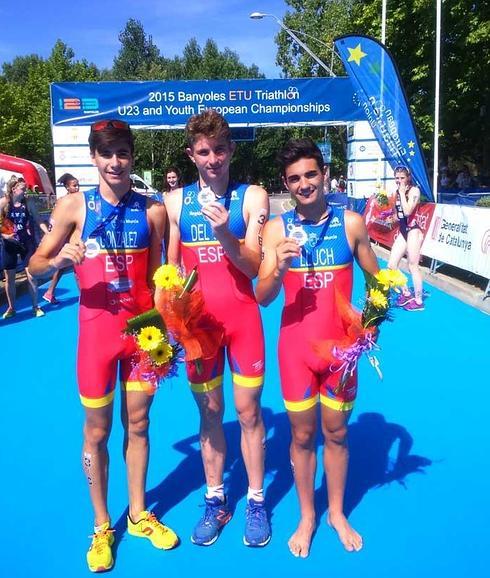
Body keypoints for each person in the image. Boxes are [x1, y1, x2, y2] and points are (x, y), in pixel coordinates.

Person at [28, 119, 179, 572]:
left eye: (123, 154)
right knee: (96, 431)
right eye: (107, 154)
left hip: (142, 336)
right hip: (96, 336)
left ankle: (137, 514)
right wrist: (58, 258)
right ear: (94, 158)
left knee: (139, 424)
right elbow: (35, 266)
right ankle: (100, 524)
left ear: (132, 158)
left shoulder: (152, 211)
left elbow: (158, 278)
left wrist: (167, 328)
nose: (116, 162)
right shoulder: (75, 206)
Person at [255, 138, 379, 558]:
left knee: (338, 432)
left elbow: (379, 284)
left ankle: (337, 513)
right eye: (294, 179)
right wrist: (279, 267)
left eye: (311, 174)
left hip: (341, 352)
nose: (304, 184)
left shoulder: (350, 223)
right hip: (296, 351)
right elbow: (264, 295)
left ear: (324, 174)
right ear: (285, 184)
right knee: (303, 435)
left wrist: (372, 325)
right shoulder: (275, 230)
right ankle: (307, 515)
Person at [165, 109, 271, 547]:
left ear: (231, 150)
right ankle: (214, 498)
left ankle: (258, 500)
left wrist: (226, 233)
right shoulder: (175, 203)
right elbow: (170, 268)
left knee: (248, 413)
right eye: (204, 151)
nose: (213, 159)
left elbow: (255, 267)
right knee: (209, 413)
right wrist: (172, 319)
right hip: (199, 329)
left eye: (220, 150)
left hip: (243, 321)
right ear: (192, 155)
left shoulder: (252, 197)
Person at [1, 176, 47, 319]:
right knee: (10, 278)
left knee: (31, 275)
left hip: (27, 243)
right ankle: (12, 308)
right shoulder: (3, 203)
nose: (25, 190)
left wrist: (48, 233)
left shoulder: (28, 203)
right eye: (23, 188)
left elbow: (39, 220)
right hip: (9, 244)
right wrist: (4, 236)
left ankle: (35, 306)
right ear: (14, 189)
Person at [388, 165, 425, 311]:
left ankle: (419, 301)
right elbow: (401, 214)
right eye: (397, 178)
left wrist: (403, 193)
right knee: (392, 264)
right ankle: (406, 292)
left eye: (402, 178)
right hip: (403, 230)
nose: (399, 181)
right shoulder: (398, 191)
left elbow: (409, 210)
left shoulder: (414, 190)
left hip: (414, 231)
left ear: (408, 177)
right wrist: (392, 218)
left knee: (412, 266)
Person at [42, 173, 80, 304]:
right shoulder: (63, 202)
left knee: (65, 267)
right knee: (77, 265)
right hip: (67, 239)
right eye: (74, 186)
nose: (77, 188)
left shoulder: (79, 200)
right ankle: (84, 295)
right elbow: (55, 220)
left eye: (78, 185)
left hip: (73, 238)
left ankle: (49, 292)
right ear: (67, 187)